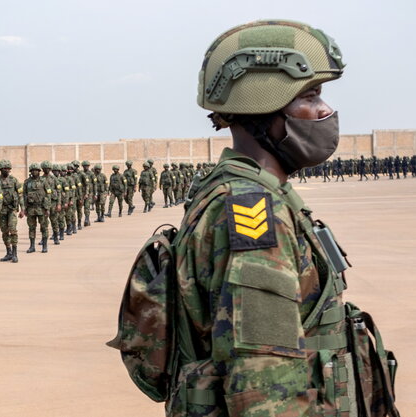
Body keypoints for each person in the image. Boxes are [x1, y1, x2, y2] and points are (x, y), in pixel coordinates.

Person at [114, 20, 399, 416]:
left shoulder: (254, 193)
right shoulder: (251, 212)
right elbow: (266, 391)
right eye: (311, 96)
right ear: (264, 104)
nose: (325, 111)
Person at [0, 160, 23, 261]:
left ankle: (15, 254)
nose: (7, 170)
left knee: (13, 230)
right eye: (4, 169)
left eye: (8, 169)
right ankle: (9, 252)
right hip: (1, 210)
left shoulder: (14, 180)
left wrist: (23, 209)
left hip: (12, 210)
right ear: (1, 169)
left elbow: (20, 195)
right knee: (4, 232)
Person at [21, 163, 50, 253]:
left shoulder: (44, 181)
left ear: (39, 171)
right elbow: (23, 195)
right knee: (31, 228)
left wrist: (47, 208)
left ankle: (44, 246)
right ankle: (32, 246)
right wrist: (24, 208)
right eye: (33, 170)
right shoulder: (27, 182)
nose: (34, 172)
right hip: (31, 209)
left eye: (36, 170)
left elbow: (48, 194)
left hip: (41, 208)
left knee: (44, 227)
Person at [41, 161, 61, 246]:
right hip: (43, 204)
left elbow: (59, 191)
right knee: (43, 223)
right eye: (45, 168)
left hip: (53, 202)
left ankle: (56, 237)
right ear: (42, 169)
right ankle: (43, 238)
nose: (47, 170)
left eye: (48, 168)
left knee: (54, 221)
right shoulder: (40, 179)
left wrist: (59, 204)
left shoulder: (54, 179)